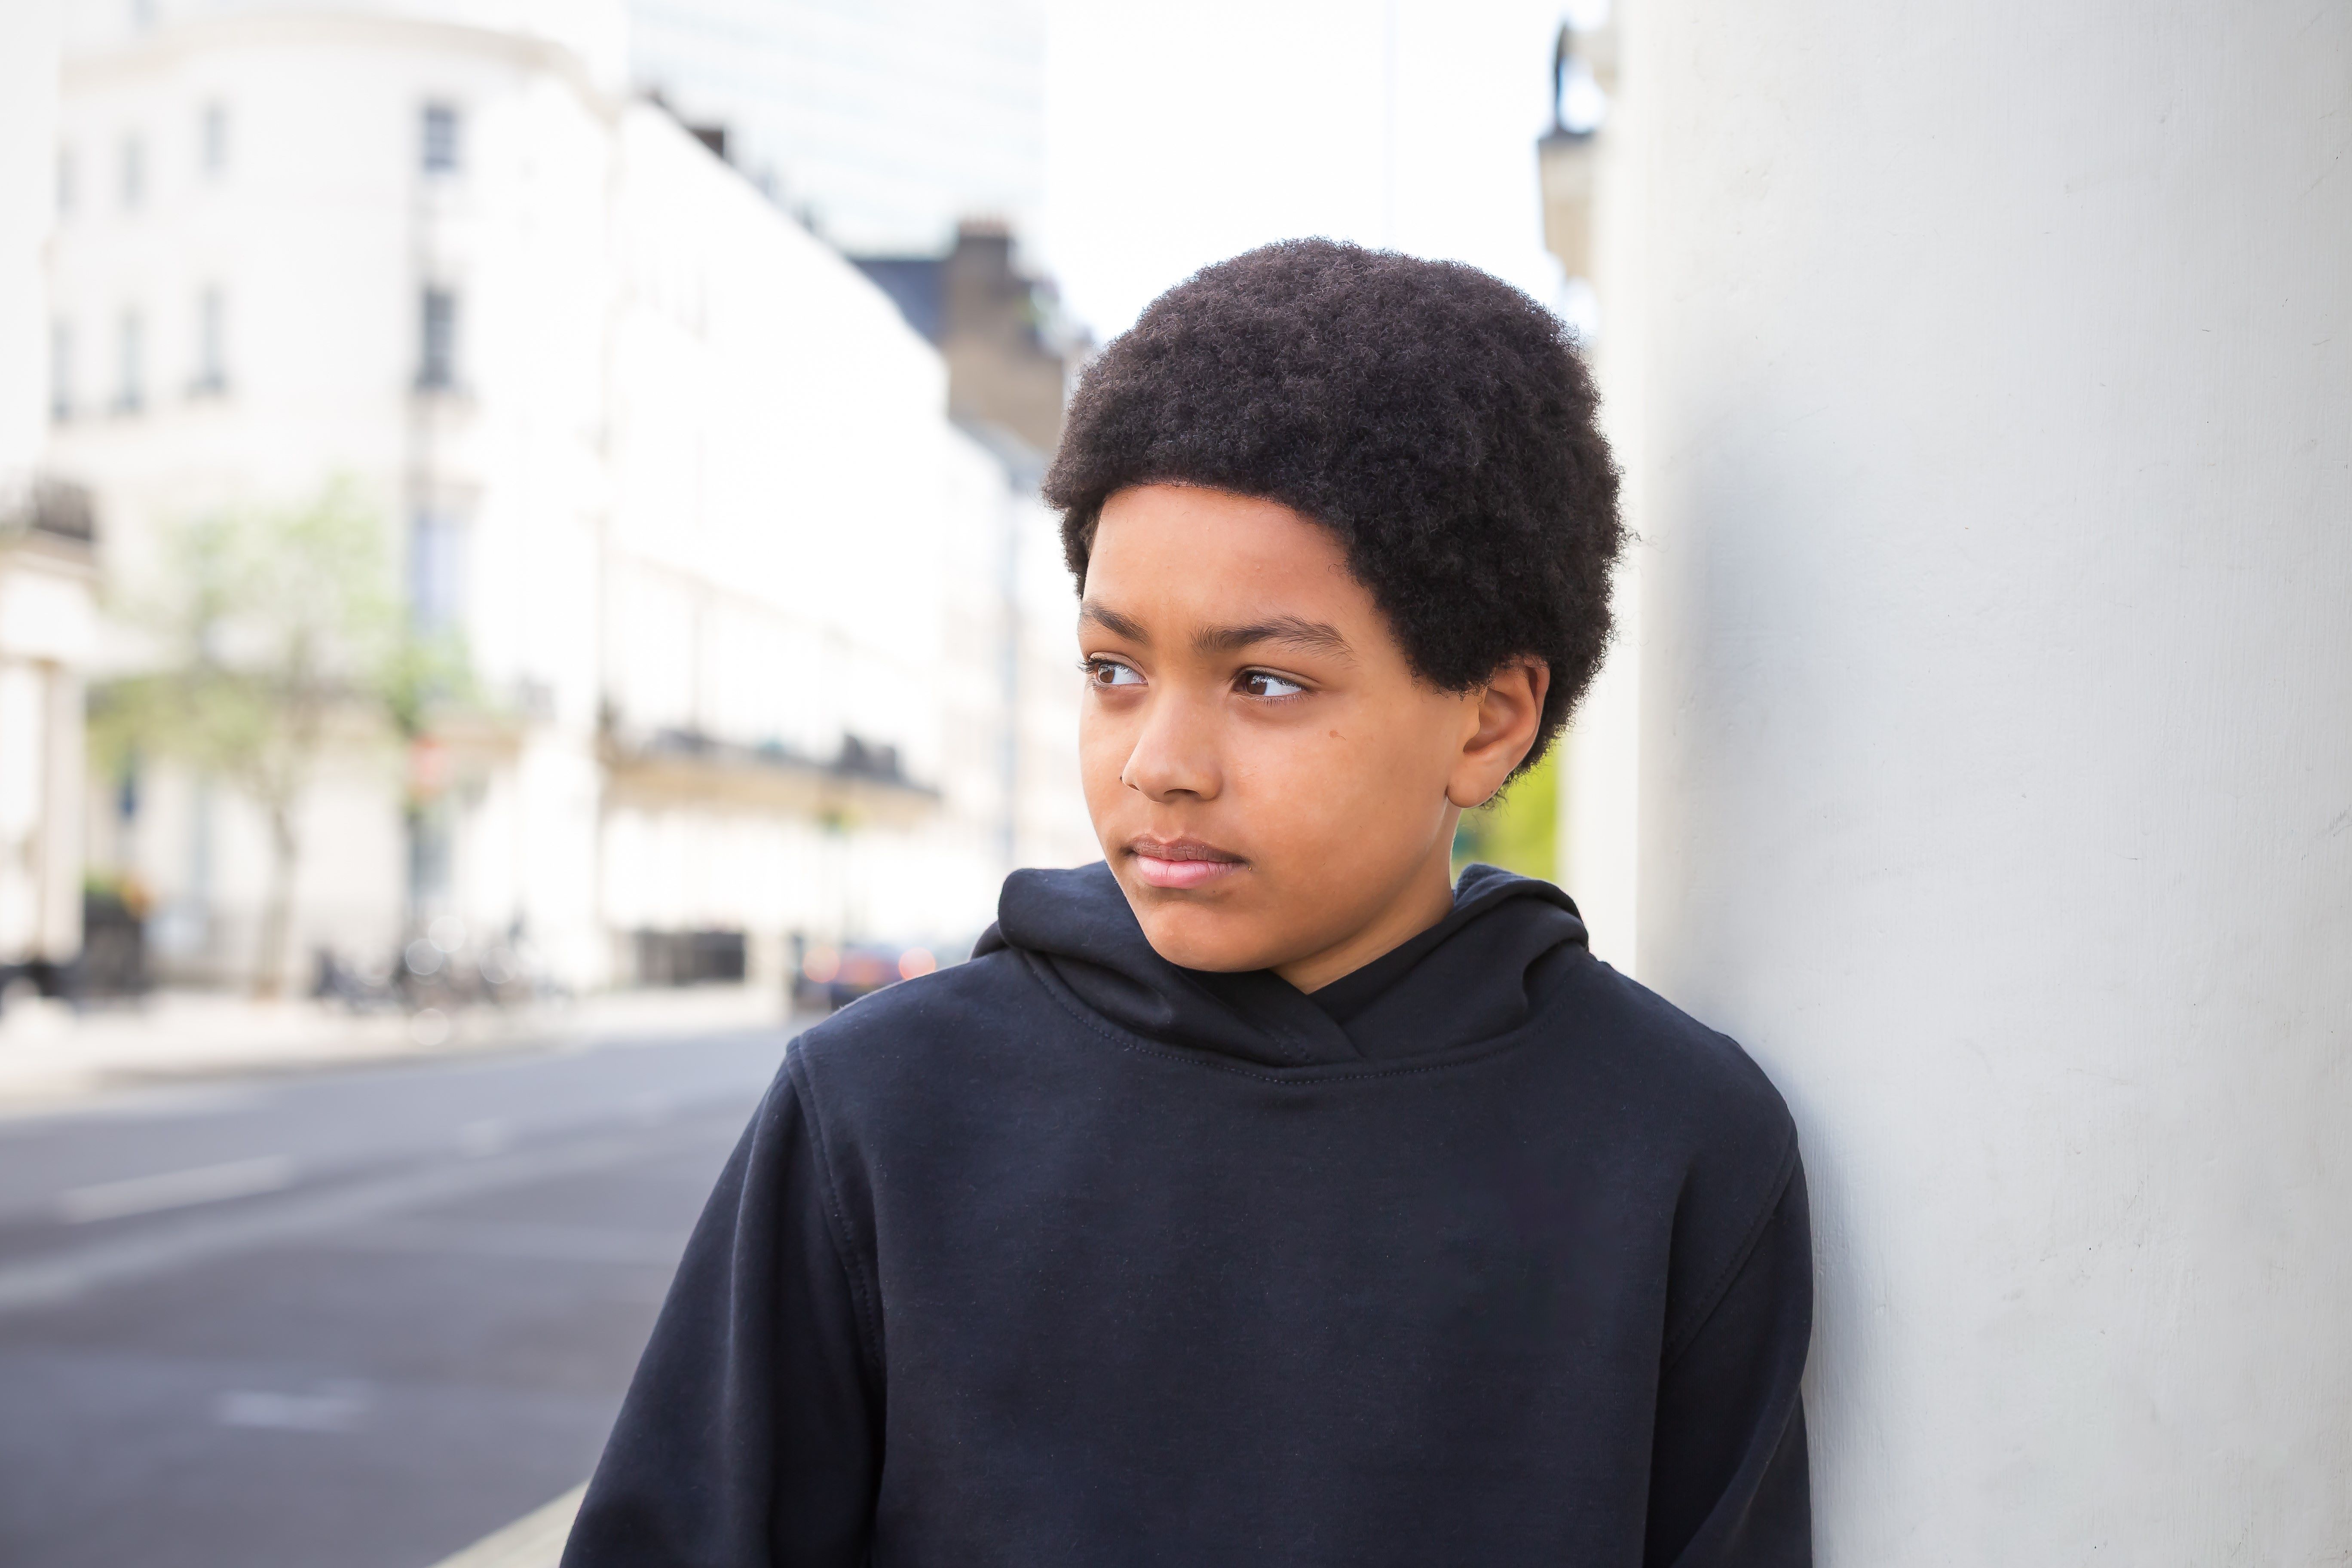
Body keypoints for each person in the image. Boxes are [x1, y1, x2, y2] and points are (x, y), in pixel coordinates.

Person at [561, 240, 1811, 1567]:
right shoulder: (882, 1111)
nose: (1160, 761)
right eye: (1114, 668)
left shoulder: (1677, 1149)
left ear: (1491, 722)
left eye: (1264, 681)